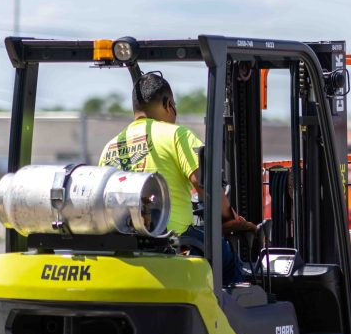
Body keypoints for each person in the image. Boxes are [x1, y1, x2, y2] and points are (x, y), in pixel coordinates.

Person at [99, 71, 253, 282]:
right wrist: (229, 219)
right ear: (167, 103)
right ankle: (229, 312)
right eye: (174, 106)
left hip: (124, 246)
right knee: (227, 257)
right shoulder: (176, 135)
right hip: (174, 242)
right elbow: (204, 184)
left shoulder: (110, 147)